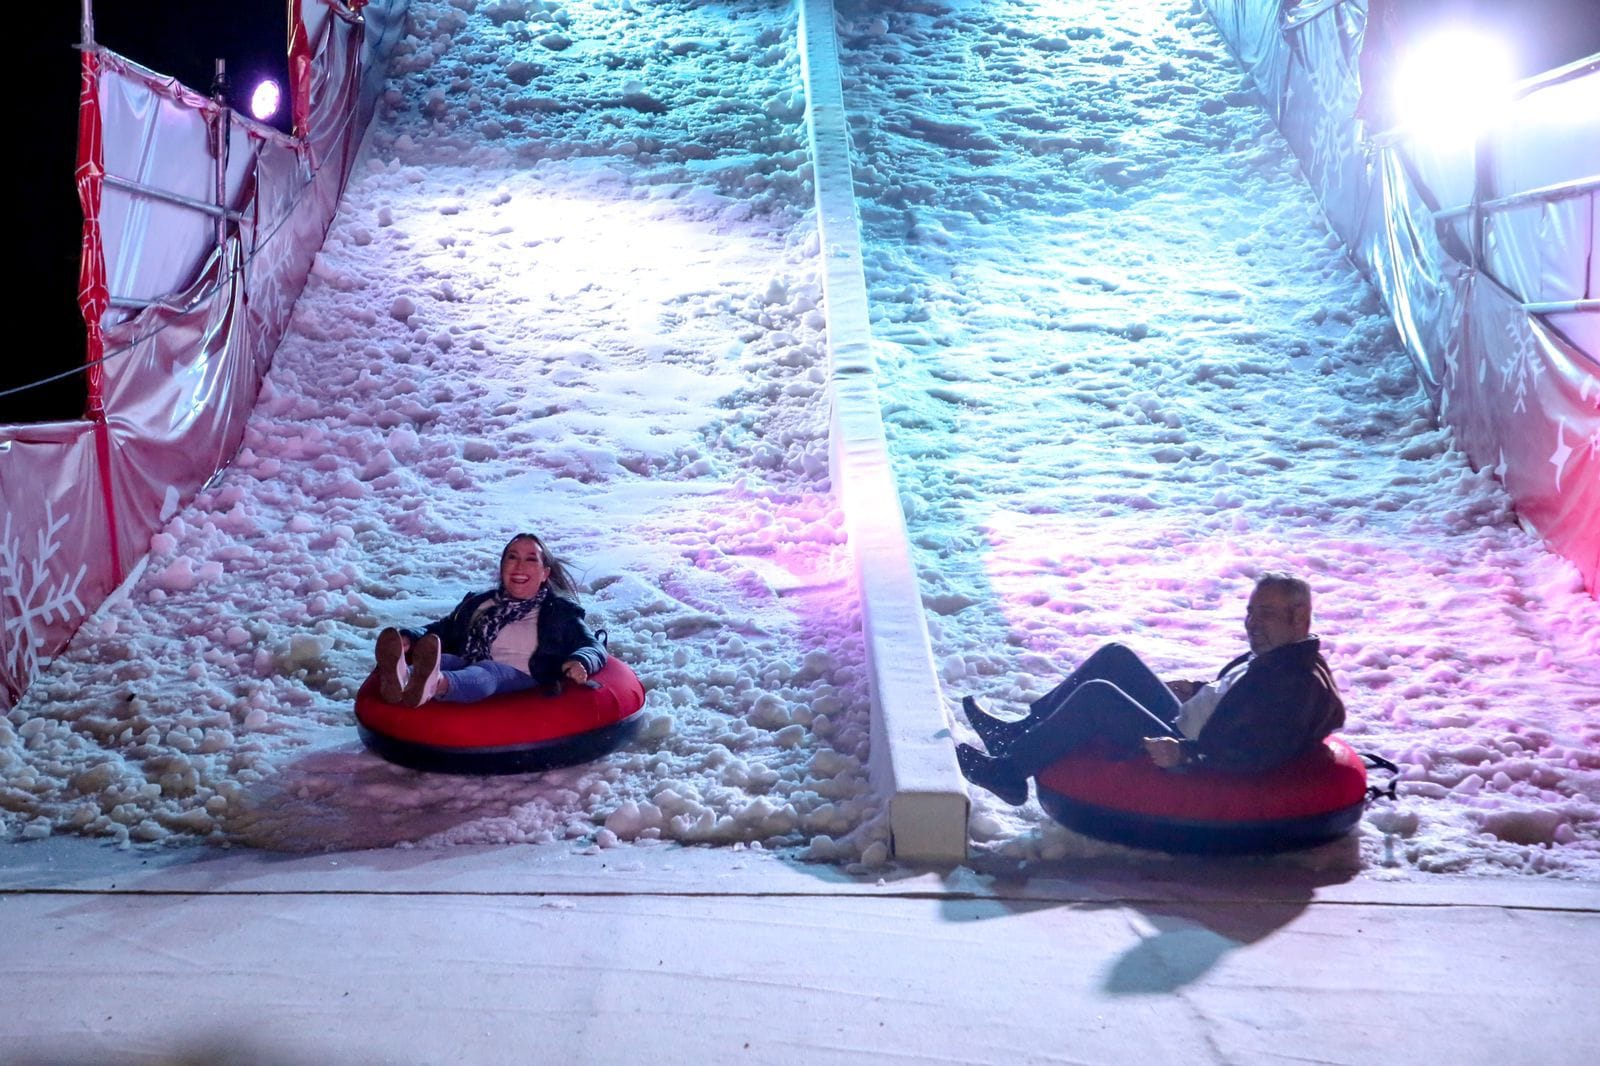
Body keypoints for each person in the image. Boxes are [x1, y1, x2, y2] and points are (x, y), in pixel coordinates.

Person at [957, 573, 1345, 806]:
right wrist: (1197, 689)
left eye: (1267, 614)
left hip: (1190, 748)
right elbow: (1242, 696)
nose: (1252, 623)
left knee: (1097, 696)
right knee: (1115, 657)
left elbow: (1262, 748)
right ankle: (1016, 735)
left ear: (1300, 617)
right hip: (1190, 723)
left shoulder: (1296, 682)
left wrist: (1187, 753)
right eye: (1250, 612)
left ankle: (1009, 773)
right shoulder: (1281, 656)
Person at [374, 532, 607, 707]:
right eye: (512, 557)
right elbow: (445, 629)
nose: (519, 566)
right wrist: (410, 637)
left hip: (523, 673)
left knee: (488, 670)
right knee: (446, 659)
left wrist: (581, 661)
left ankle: (435, 684)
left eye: (530, 559)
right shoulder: (480, 603)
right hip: (470, 661)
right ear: (502, 567)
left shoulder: (560, 613)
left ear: (545, 573)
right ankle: (401, 679)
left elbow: (592, 646)